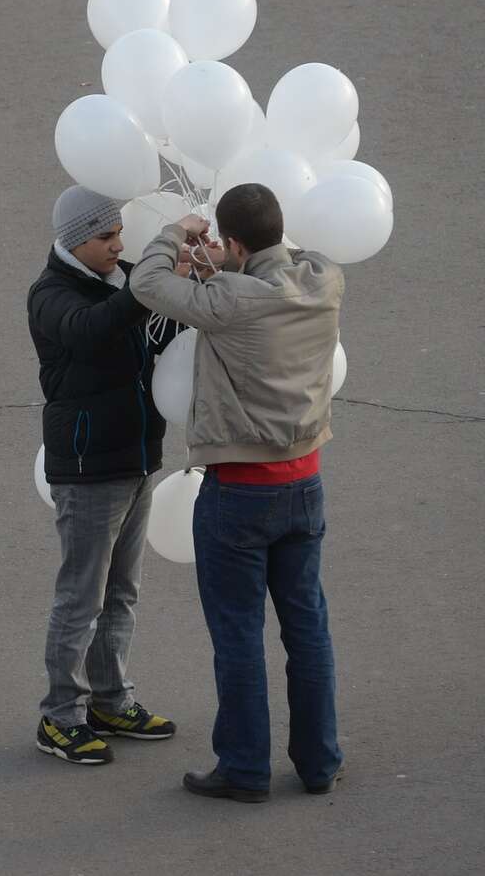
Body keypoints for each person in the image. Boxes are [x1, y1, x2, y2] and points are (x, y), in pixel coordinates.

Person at [127, 183, 346, 801]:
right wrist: (235, 253)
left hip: (239, 494)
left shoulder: (227, 299)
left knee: (239, 636)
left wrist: (178, 234)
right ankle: (319, 762)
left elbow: (147, 283)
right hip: (305, 483)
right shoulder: (324, 280)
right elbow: (276, 261)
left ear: (235, 242)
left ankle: (246, 768)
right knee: (307, 628)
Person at [25, 185, 193, 764]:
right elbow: (94, 330)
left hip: (137, 456)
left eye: (120, 233)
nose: (118, 244)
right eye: (106, 237)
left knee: (122, 592)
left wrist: (186, 289)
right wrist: (153, 277)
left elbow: (152, 340)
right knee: (82, 597)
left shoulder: (123, 276)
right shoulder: (50, 296)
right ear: (76, 241)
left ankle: (110, 700)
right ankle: (59, 717)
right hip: (89, 468)